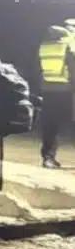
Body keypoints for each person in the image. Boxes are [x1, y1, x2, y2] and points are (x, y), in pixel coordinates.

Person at [37, 24, 75, 168]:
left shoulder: (44, 47)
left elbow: (37, 69)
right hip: (67, 90)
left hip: (48, 90)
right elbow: (73, 69)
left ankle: (48, 158)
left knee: (50, 126)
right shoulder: (67, 47)